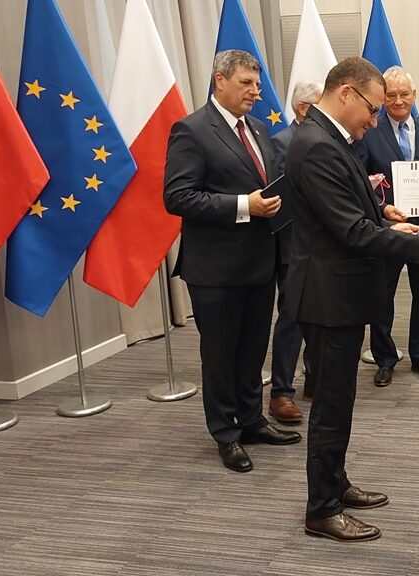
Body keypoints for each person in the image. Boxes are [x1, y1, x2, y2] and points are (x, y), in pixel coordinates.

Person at [284, 57, 419, 542]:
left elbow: (357, 214)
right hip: (327, 296)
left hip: (337, 290)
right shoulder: (317, 145)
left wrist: (389, 223)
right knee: (332, 406)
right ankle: (321, 508)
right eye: (373, 109)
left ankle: (335, 483)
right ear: (346, 94)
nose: (376, 120)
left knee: (341, 401)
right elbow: (351, 230)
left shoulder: (330, 138)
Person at [164, 49, 302, 474]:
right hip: (215, 269)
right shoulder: (191, 130)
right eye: (246, 83)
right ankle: (225, 432)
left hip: (260, 262)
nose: (255, 92)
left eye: (257, 85)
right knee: (221, 354)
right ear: (219, 80)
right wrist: (245, 205)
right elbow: (178, 196)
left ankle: (253, 419)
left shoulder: (260, 129)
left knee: (251, 350)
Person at [354, 66, 419, 387]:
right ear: (383, 98)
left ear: (414, 95)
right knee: (382, 296)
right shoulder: (370, 131)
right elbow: (361, 185)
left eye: (404, 94)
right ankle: (385, 358)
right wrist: (383, 209)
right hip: (387, 231)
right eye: (391, 95)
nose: (398, 101)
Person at [266, 79, 323, 423]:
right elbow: (281, 196)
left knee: (319, 316)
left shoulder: (327, 138)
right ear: (303, 108)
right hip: (293, 247)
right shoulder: (281, 143)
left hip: (324, 246)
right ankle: (281, 392)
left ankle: (314, 380)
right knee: (291, 319)